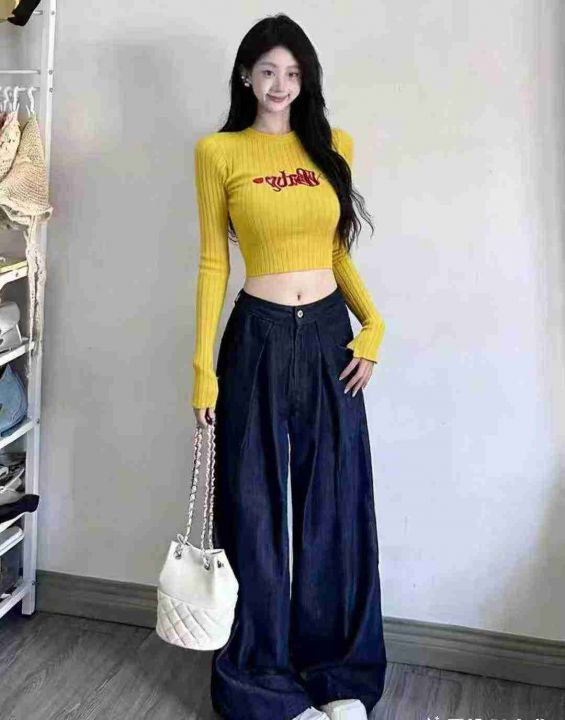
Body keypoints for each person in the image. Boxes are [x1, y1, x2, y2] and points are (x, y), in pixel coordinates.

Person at [191, 13, 387, 720]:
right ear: (246, 75)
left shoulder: (333, 146)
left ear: (307, 79)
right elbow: (213, 261)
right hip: (258, 337)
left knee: (336, 505)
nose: (280, 85)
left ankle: (340, 676)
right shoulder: (218, 152)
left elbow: (335, 252)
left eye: (294, 73)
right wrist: (202, 369)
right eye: (269, 70)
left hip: (331, 336)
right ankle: (261, 687)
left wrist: (373, 324)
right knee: (252, 510)